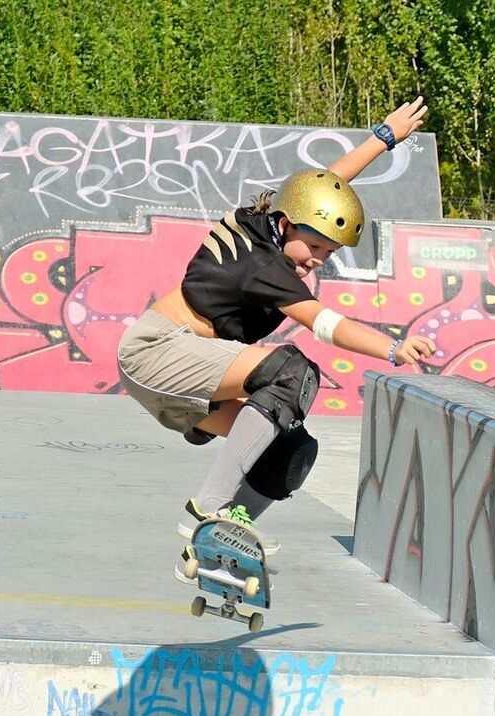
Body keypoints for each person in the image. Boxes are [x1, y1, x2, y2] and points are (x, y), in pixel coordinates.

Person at [116, 98, 434, 573]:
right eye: (315, 247)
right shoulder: (264, 265)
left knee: (290, 449)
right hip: (159, 352)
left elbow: (325, 186)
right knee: (291, 370)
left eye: (329, 252)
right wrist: (391, 347)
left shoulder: (273, 223)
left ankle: (220, 542)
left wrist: (383, 138)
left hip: (187, 372)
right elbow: (325, 325)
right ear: (286, 227)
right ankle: (210, 509)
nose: (317, 261)